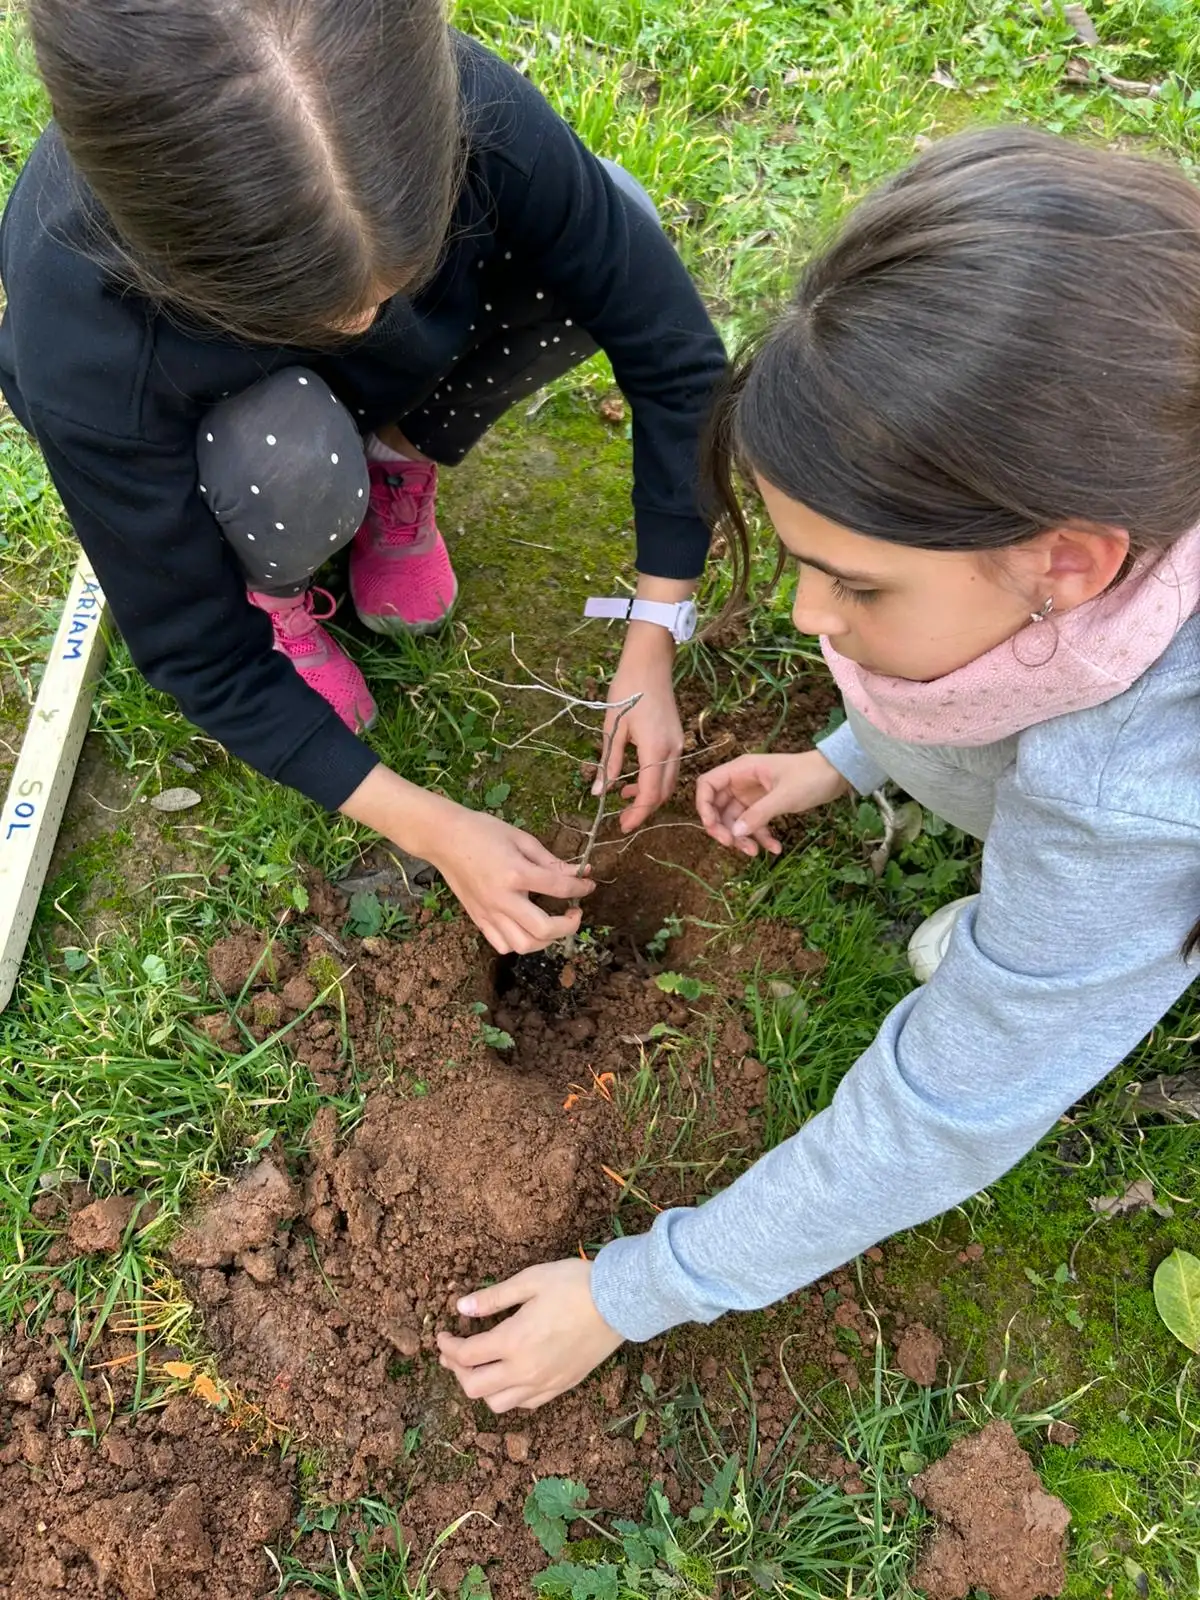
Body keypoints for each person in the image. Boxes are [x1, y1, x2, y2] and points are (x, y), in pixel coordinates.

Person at [437, 127, 1200, 1411]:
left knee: (1068, 951)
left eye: (857, 583)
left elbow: (944, 1109)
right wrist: (845, 757)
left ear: (1070, 561)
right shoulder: (1127, 443)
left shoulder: (1129, 790)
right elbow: (982, 667)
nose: (804, 616)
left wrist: (637, 1287)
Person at [0, 0, 727, 957]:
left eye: (395, 284)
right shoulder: (84, 339)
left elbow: (673, 351)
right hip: (250, 436)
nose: (364, 322)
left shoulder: (447, 106)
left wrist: (656, 629)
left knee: (613, 214)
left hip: (367, 369)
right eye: (325, 308)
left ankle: (394, 459)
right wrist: (433, 827)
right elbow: (197, 653)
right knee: (285, 455)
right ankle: (280, 587)